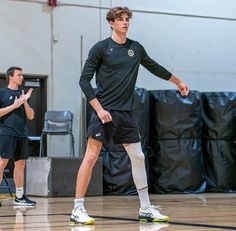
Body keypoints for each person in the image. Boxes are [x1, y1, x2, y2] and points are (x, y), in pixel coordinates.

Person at [70, 6, 189, 225]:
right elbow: (84, 81)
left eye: (127, 19)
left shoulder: (136, 48)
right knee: (90, 157)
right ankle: (77, 208)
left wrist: (178, 81)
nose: (125, 22)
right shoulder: (101, 48)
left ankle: (145, 208)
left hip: (126, 113)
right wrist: (99, 108)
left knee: (138, 156)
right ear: (111, 23)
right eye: (120, 19)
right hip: (104, 112)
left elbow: (154, 67)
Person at [0, 66, 36, 206]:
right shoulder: (2, 93)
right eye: (19, 75)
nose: (22, 77)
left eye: (22, 75)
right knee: (2, 163)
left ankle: (19, 197)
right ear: (11, 77)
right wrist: (14, 106)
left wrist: (25, 101)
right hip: (6, 133)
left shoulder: (23, 94)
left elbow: (31, 116)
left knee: (20, 164)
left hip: (21, 134)